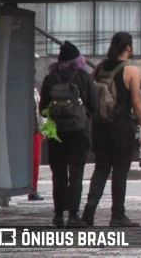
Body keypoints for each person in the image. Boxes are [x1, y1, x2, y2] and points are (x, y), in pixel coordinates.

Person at [82, 32, 141, 227]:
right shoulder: (132, 71)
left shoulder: (100, 67)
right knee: (120, 171)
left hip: (99, 127)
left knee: (101, 168)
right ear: (128, 47)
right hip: (121, 128)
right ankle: (117, 215)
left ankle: (90, 209)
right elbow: (136, 103)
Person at [39, 41, 96, 228]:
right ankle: (73, 215)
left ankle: (58, 215)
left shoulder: (50, 79)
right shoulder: (83, 77)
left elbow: (42, 109)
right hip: (79, 133)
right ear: (78, 60)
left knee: (59, 174)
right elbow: (94, 105)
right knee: (76, 173)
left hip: (56, 133)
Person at [28, 88, 45, 201]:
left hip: (35, 130)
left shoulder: (34, 92)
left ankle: (33, 188)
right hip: (30, 129)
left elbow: (40, 111)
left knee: (35, 160)